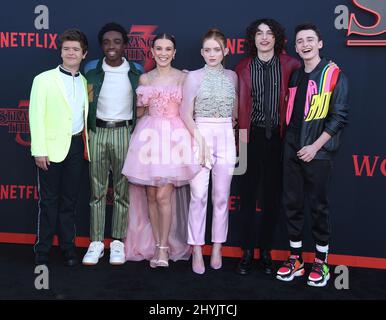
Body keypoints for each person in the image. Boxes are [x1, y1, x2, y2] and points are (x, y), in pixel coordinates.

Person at [276, 23, 349, 287]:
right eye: (300, 41)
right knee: (292, 204)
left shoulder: (333, 74)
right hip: (292, 148)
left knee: (318, 207)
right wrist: (293, 146)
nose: (305, 44)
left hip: (317, 152)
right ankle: (295, 258)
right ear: (295, 47)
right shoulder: (296, 75)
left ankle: (321, 262)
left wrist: (315, 146)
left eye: (310, 40)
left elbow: (338, 118)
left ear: (320, 44)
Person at [122, 33, 200, 268]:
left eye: (168, 49)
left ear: (174, 53)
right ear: (153, 52)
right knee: (151, 196)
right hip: (148, 137)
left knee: (164, 195)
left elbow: (190, 111)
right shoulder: (145, 79)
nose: (163, 53)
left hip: (174, 138)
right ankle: (156, 245)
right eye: (159, 48)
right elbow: (140, 113)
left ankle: (164, 248)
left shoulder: (184, 78)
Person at [235, 18, 301, 275]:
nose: (264, 37)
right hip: (248, 138)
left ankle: (265, 253)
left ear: (277, 38)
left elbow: (313, 76)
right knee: (247, 198)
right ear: (253, 38)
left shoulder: (291, 65)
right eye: (259, 33)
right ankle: (247, 252)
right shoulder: (242, 67)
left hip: (278, 139)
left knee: (272, 198)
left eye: (269, 33)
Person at [82, 23, 141, 265]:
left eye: (117, 41)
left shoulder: (136, 71)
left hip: (125, 133)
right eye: (106, 42)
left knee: (122, 191)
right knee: (96, 191)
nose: (111, 46)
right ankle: (96, 242)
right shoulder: (91, 69)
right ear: (101, 45)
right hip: (97, 131)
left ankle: (118, 242)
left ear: (125, 44)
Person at [29, 29, 89, 266]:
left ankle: (68, 248)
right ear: (60, 51)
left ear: (84, 54)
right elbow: (36, 116)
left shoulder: (85, 82)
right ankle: (42, 249)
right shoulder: (43, 79)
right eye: (67, 49)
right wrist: (39, 149)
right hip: (50, 149)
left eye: (75, 49)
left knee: (69, 201)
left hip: (76, 146)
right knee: (48, 201)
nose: (71, 52)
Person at [180, 29, 237, 274]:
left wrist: (228, 130)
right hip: (199, 134)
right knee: (198, 196)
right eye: (207, 50)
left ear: (226, 51)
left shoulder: (233, 77)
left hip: (226, 136)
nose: (212, 54)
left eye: (217, 49)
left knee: (221, 198)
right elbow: (185, 113)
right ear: (202, 52)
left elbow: (235, 113)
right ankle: (196, 249)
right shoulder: (192, 77)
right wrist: (200, 139)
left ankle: (217, 247)